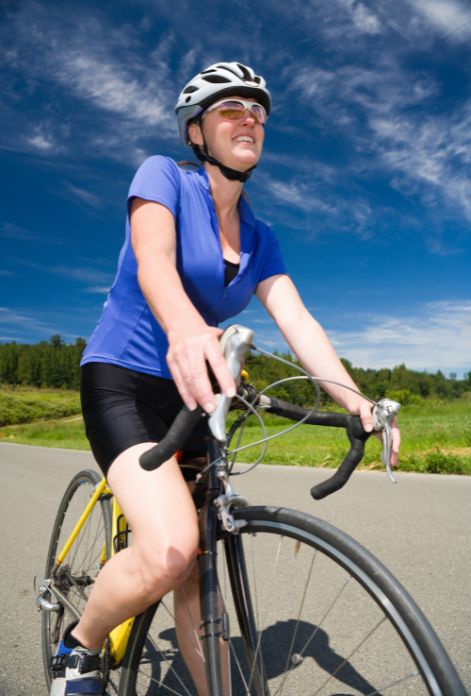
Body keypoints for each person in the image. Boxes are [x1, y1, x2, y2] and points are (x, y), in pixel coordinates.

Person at [50, 61, 400, 695]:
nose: (249, 118)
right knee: (172, 548)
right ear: (196, 132)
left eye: (257, 110)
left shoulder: (262, 238)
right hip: (124, 378)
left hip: (196, 392)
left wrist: (359, 402)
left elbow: (297, 319)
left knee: (198, 568)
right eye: (229, 108)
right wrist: (187, 331)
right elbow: (154, 262)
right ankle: (79, 647)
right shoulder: (163, 177)